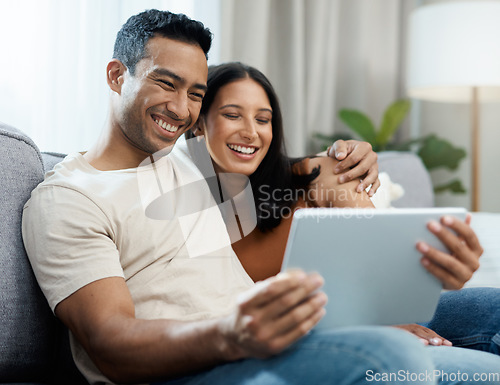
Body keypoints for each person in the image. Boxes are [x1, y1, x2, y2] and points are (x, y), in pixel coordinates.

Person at [21, 9, 499, 385]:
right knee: (393, 356)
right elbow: (112, 344)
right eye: (165, 83)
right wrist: (234, 334)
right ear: (114, 76)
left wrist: (350, 157)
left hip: (275, 336)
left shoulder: (182, 160)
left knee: (492, 308)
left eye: (195, 94)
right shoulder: (68, 198)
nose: (180, 108)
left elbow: (286, 164)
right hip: (193, 368)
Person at [188, 62, 500, 352]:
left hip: (386, 314)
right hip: (313, 339)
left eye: (263, 119)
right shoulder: (180, 206)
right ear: (199, 123)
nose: (251, 132)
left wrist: (435, 274)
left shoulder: (318, 175)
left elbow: (381, 262)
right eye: (232, 115)